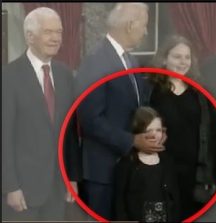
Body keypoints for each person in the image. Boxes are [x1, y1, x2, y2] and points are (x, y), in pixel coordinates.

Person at [75, 3, 164, 219]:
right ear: (131, 25)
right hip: (102, 172)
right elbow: (90, 119)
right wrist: (132, 141)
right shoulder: (96, 61)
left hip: (125, 169)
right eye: (144, 26)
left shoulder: (130, 60)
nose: (145, 31)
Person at [2, 7, 80, 221]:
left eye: (59, 32)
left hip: (57, 188)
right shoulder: (8, 77)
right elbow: (4, 138)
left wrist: (71, 178)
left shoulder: (65, 74)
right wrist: (10, 186)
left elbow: (70, 133)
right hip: (22, 192)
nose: (56, 38)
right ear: (30, 36)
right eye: (48, 32)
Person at [148, 35, 216, 220]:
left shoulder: (201, 93)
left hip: (196, 178)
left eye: (187, 57)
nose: (183, 62)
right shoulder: (151, 91)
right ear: (164, 59)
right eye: (177, 57)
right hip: (160, 175)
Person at [114, 106, 180, 222]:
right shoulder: (127, 164)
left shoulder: (167, 161)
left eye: (158, 130)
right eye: (149, 131)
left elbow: (175, 199)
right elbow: (119, 203)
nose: (154, 135)